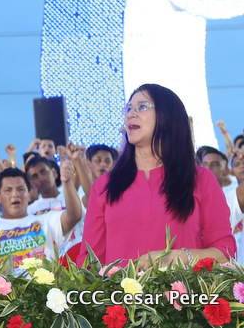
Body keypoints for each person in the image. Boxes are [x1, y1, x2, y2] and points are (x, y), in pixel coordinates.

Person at [83, 83, 236, 266]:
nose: (131, 114)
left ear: (167, 116)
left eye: (142, 107)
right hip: (120, 295)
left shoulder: (201, 179)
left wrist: (176, 257)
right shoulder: (105, 185)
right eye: (129, 108)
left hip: (184, 294)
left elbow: (224, 252)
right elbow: (89, 262)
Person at [0, 166, 81, 269]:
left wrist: (66, 181)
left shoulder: (47, 221)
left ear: (29, 194)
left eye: (20, 189)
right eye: (8, 190)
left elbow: (74, 216)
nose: (15, 194)